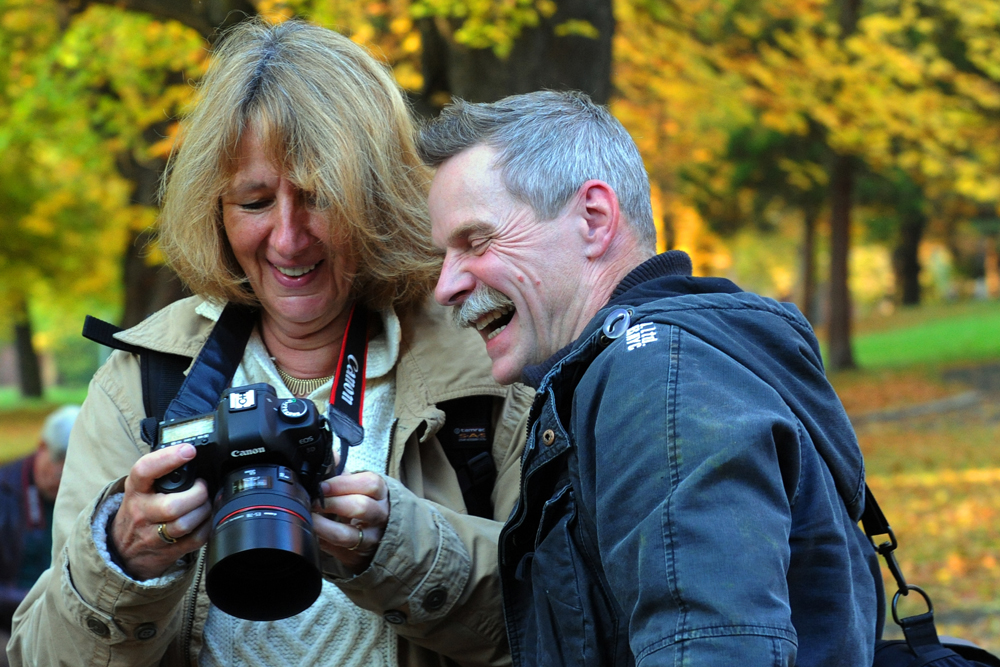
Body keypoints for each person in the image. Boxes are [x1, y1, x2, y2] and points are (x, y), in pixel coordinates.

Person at [9, 18, 531, 667]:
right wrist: (123, 558)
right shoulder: (143, 383)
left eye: (318, 196)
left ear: (374, 198)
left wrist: (397, 546)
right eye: (255, 201)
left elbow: (557, 623)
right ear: (215, 210)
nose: (288, 239)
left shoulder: (485, 373)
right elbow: (36, 656)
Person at [418, 90, 885, 667]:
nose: (447, 285)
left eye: (476, 240)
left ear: (594, 218)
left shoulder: (657, 382)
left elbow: (717, 652)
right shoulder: (676, 362)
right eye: (444, 254)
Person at [0, 406, 80, 648]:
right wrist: (42, 601)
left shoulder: (88, 489)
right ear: (42, 446)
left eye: (73, 467)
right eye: (58, 462)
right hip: (10, 619)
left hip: (70, 616)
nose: (62, 475)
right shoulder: (5, 492)